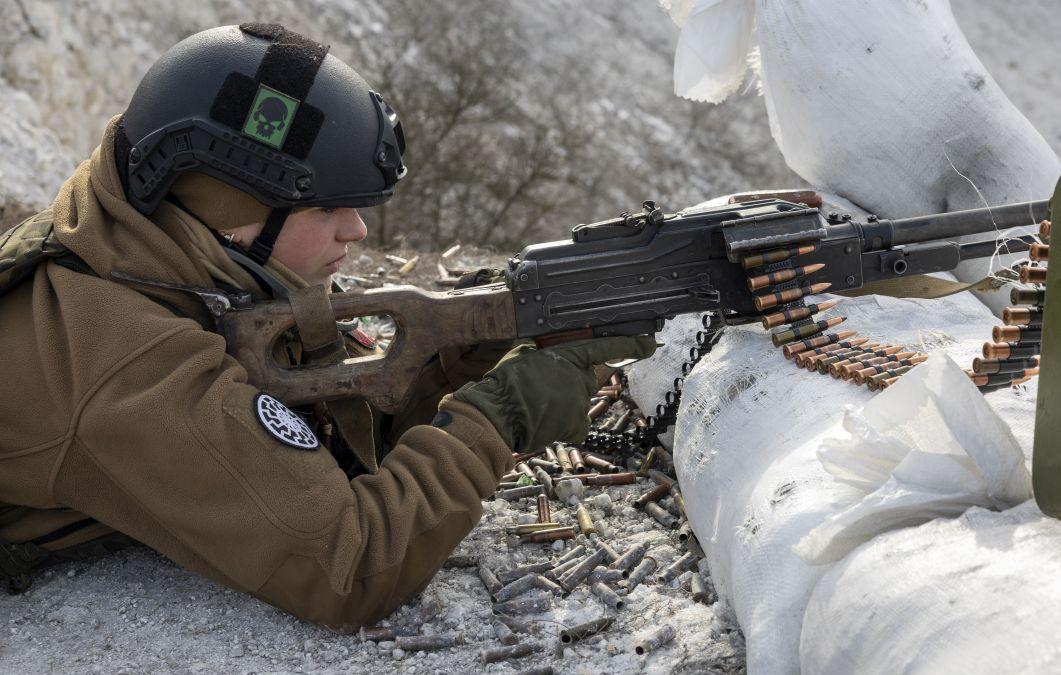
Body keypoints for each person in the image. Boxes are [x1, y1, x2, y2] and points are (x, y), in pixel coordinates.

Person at [0, 23, 654, 630]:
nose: (358, 230)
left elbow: (327, 439)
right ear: (234, 207)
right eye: (327, 204)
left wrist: (453, 362)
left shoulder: (183, 262)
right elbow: (352, 564)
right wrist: (501, 412)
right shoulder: (120, 355)